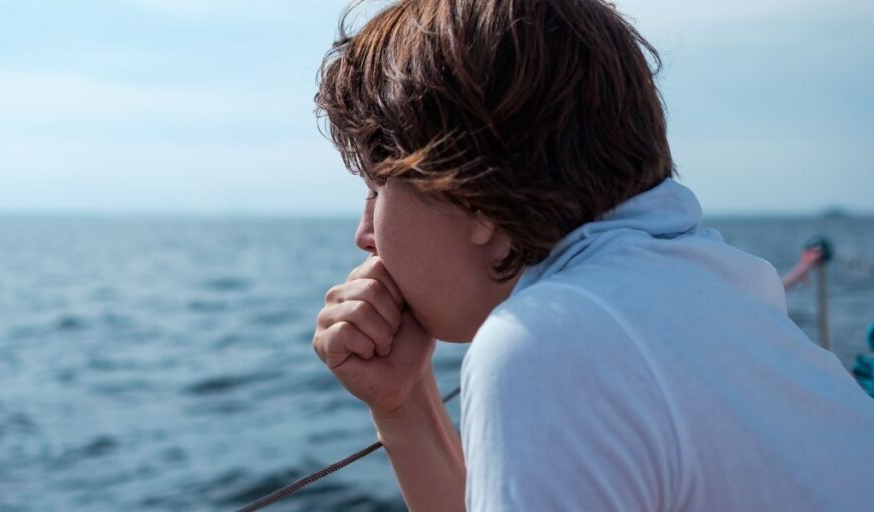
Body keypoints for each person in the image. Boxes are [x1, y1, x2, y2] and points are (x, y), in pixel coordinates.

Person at [311, 0, 874, 510]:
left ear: (468, 191)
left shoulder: (551, 343)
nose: (366, 235)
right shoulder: (719, 282)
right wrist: (404, 404)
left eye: (378, 189)